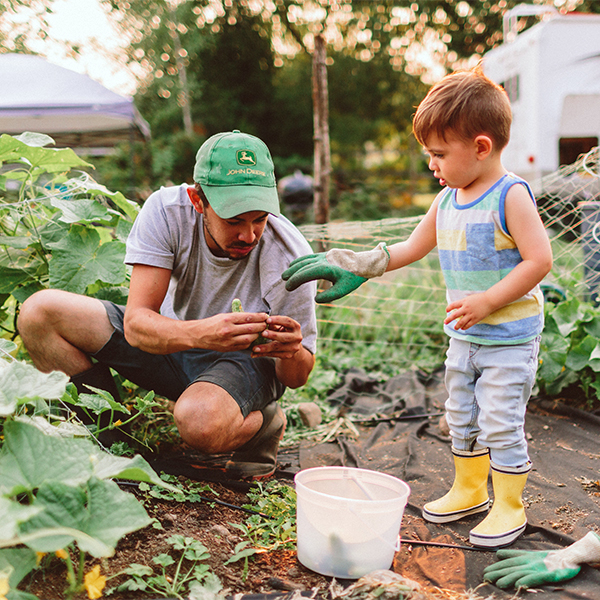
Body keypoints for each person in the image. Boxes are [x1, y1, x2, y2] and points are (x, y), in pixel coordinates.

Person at [283, 67, 553, 547]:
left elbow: (540, 260)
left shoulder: (510, 196)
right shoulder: (447, 199)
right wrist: (360, 264)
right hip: (464, 338)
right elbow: (411, 247)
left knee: (500, 419)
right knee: (461, 412)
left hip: (508, 339)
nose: (432, 164)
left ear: (482, 147)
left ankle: (509, 503)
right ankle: (470, 489)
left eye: (439, 154)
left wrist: (489, 300)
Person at [18, 130, 318, 480]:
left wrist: (292, 352)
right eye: (234, 220)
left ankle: (264, 424)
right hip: (171, 343)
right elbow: (136, 325)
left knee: (200, 423)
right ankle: (107, 437)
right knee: (40, 313)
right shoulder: (166, 212)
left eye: (260, 219)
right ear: (197, 200)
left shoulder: (291, 256)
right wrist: (201, 333)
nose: (248, 235)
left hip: (242, 364)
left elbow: (296, 378)